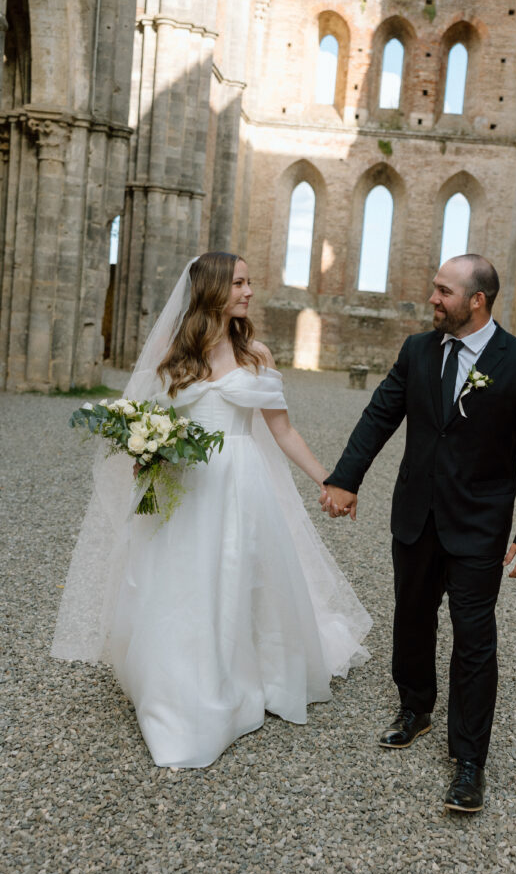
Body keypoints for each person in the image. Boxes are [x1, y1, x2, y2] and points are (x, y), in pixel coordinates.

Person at [52, 252, 371, 768]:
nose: (249, 291)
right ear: (213, 290)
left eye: (249, 282)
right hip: (185, 484)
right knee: (181, 581)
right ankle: (180, 689)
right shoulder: (172, 352)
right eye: (240, 282)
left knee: (237, 573)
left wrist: (331, 481)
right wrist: (146, 451)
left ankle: (241, 672)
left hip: (242, 483)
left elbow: (281, 429)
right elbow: (144, 417)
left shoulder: (257, 356)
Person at [320, 254, 516, 813]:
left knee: (474, 641)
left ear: (476, 301)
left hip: (479, 526)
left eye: (443, 291)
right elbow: (380, 415)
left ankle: (470, 759)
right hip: (416, 515)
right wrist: (346, 478)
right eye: (435, 288)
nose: (433, 298)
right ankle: (415, 706)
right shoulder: (418, 351)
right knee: (412, 614)